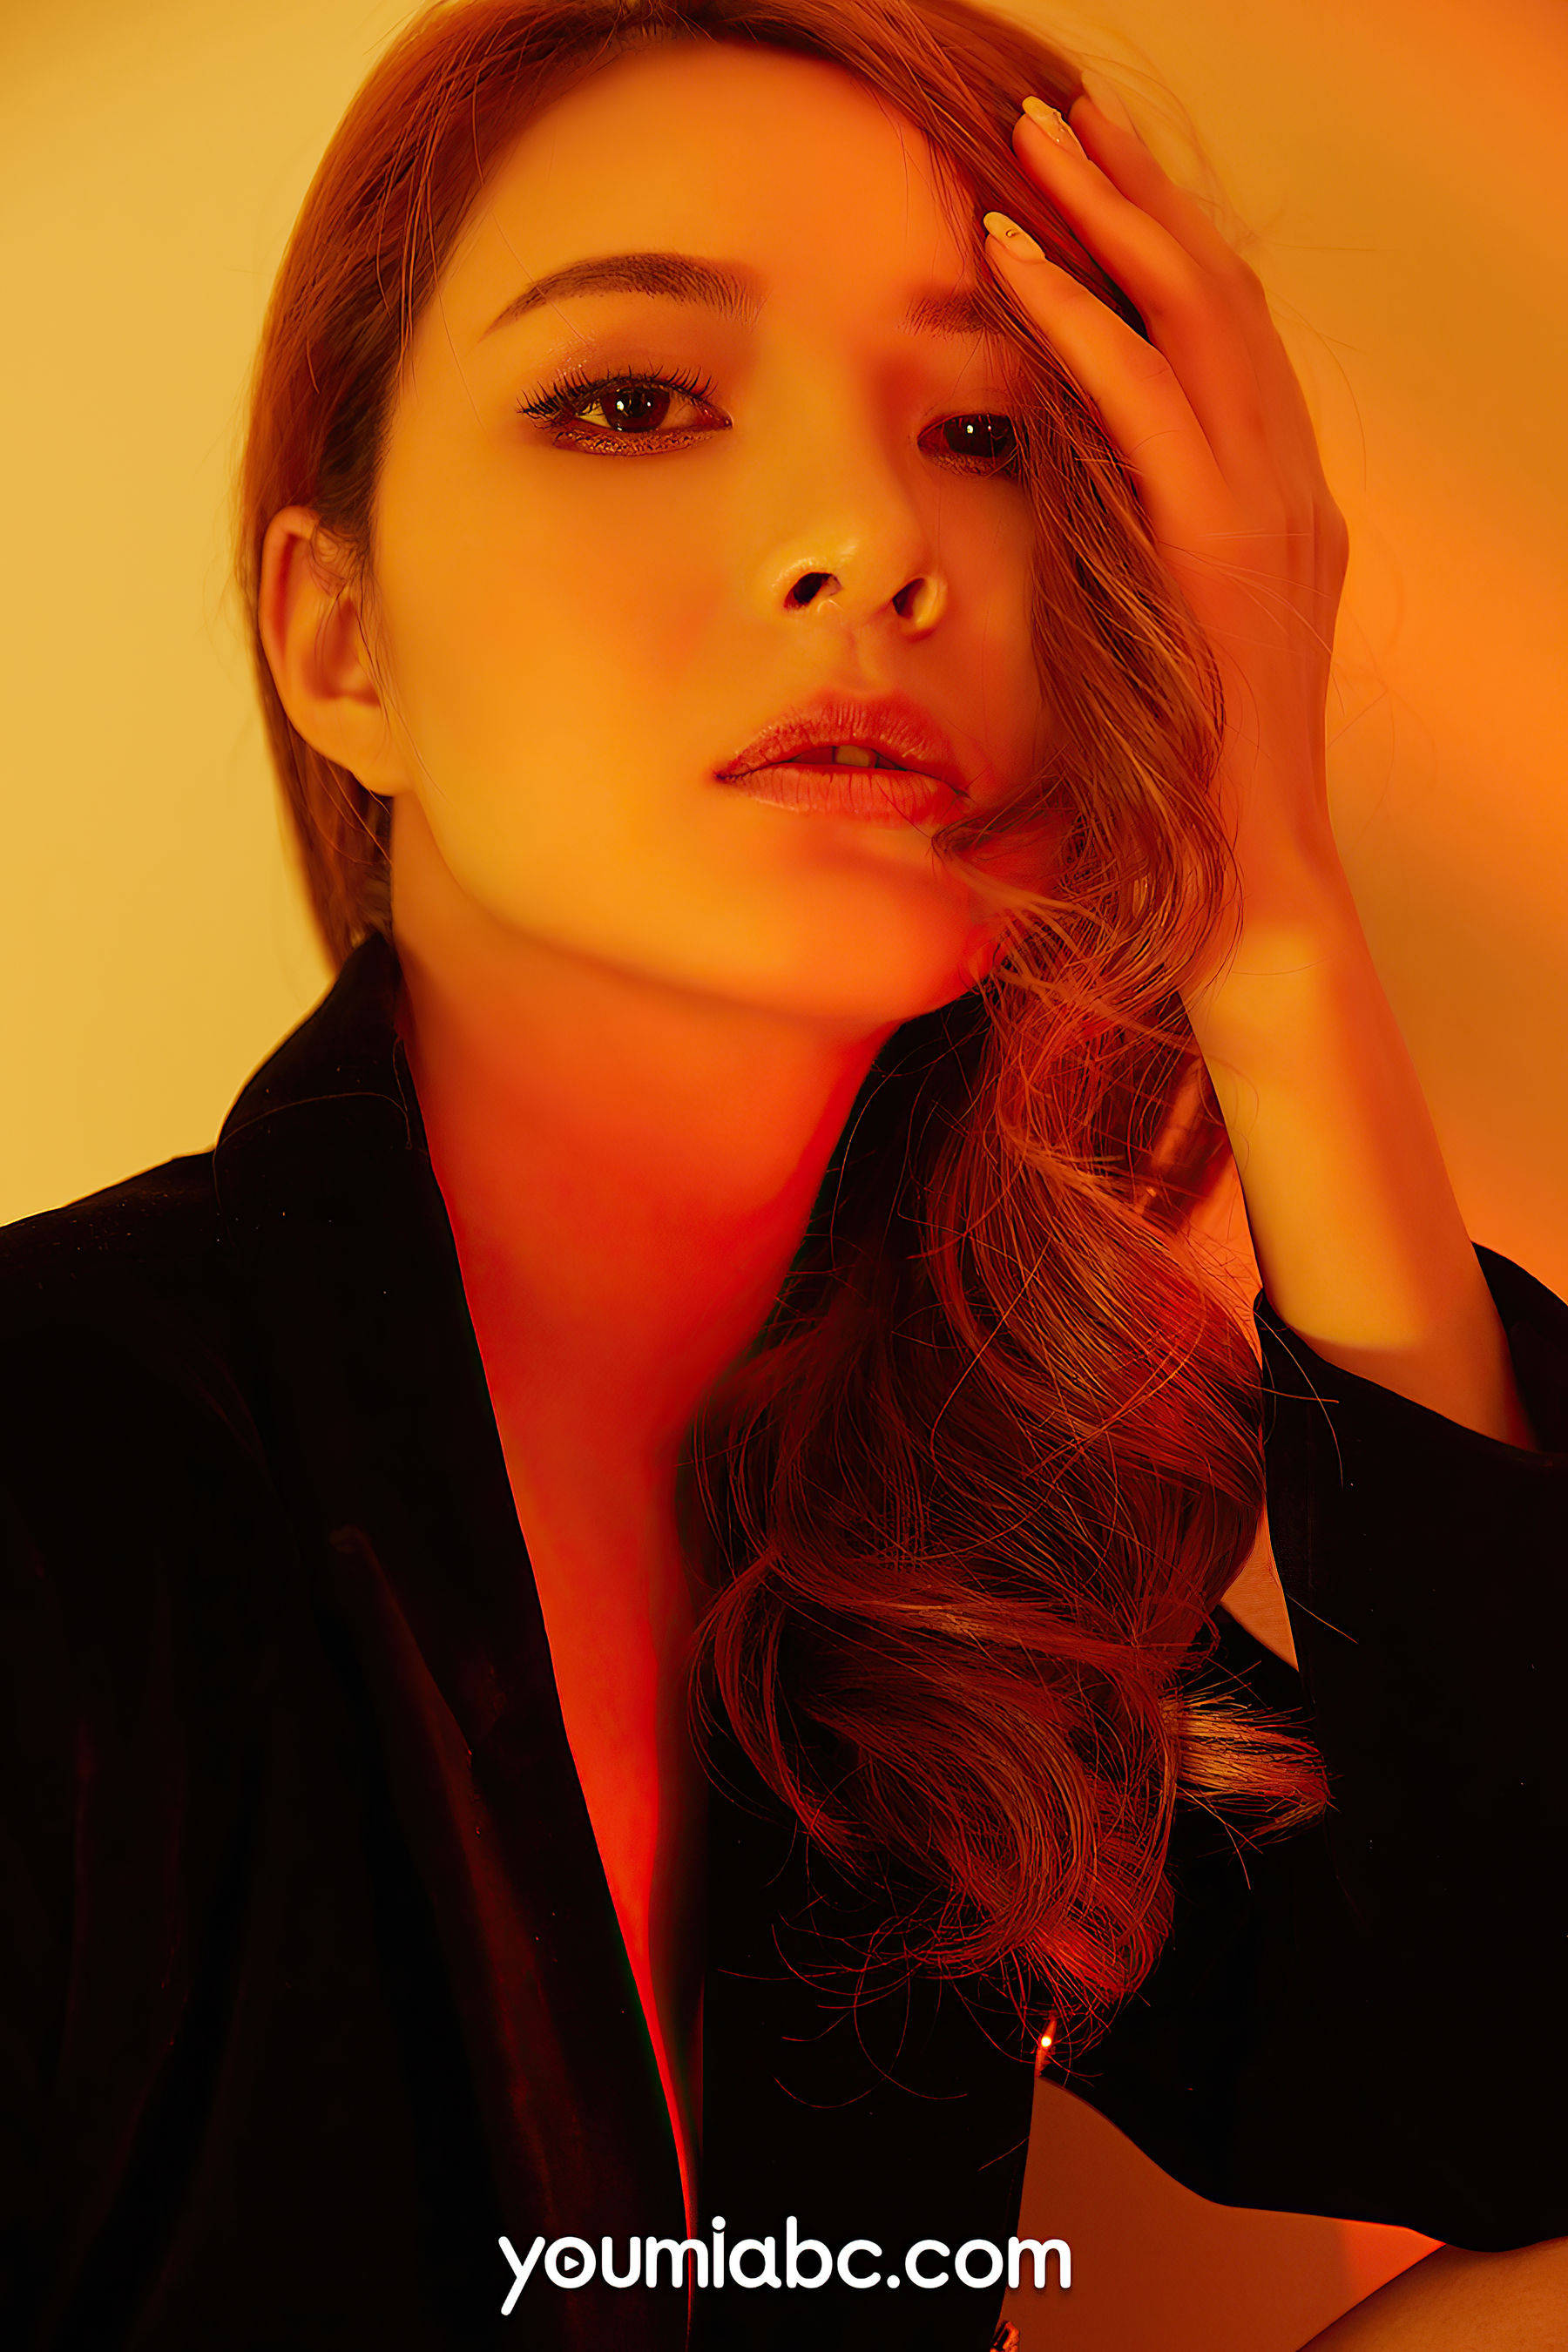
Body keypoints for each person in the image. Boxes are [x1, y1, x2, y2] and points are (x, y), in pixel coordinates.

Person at [1, 0, 1564, 2345]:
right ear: (342, 640)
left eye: (986, 434)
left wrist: (1266, 910)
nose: (866, 539)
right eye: (633, 401)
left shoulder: (924, 1559)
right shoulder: (50, 1481)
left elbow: (1522, 2078)